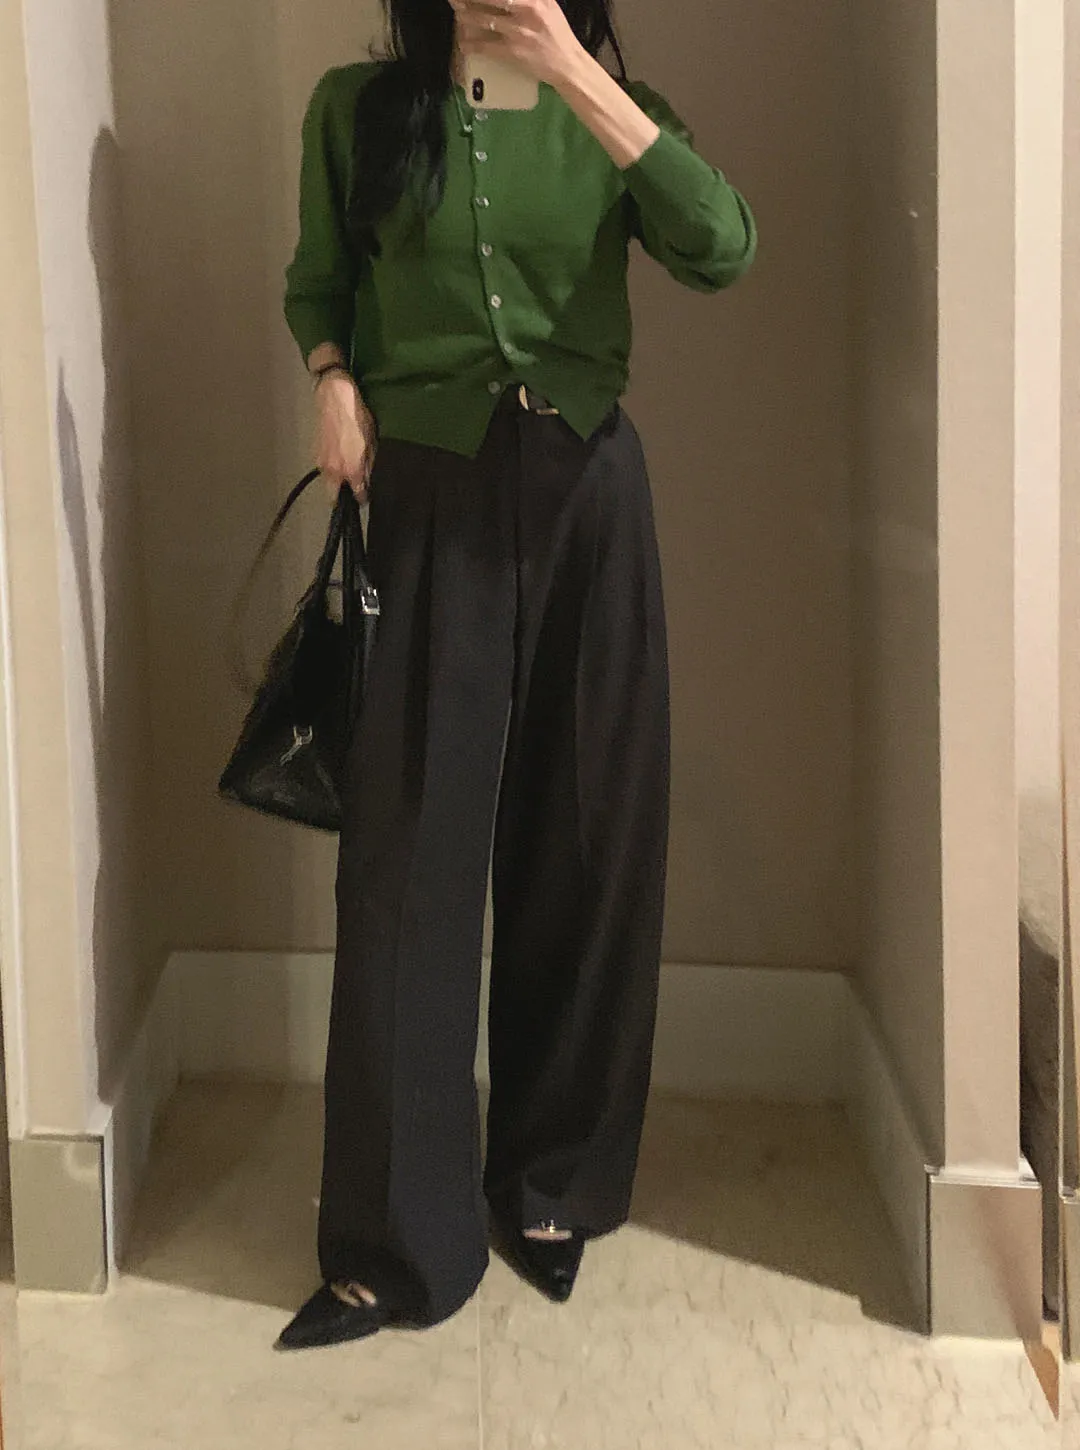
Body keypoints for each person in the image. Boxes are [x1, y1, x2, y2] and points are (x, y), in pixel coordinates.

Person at [275, 0, 756, 1352]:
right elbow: (319, 278)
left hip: (588, 489)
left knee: (587, 834)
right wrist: (331, 375)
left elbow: (722, 244)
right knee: (406, 856)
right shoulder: (356, 109)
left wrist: (576, 75)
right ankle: (390, 1244)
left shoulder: (614, 112)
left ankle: (555, 1185)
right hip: (426, 495)